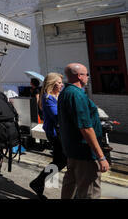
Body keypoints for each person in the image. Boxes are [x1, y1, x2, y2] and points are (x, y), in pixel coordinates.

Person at [58, 63, 109, 199]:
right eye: (87, 74)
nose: (88, 77)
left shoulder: (65, 93)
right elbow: (86, 128)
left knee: (71, 186)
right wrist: (101, 156)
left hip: (73, 151)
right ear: (79, 76)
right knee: (89, 191)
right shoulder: (76, 95)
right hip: (85, 153)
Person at [29, 73, 67, 199]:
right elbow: (57, 117)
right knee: (61, 161)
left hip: (60, 133)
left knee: (60, 161)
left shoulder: (57, 96)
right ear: (52, 83)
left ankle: (38, 182)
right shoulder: (48, 98)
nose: (62, 85)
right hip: (55, 134)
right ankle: (38, 182)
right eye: (59, 82)